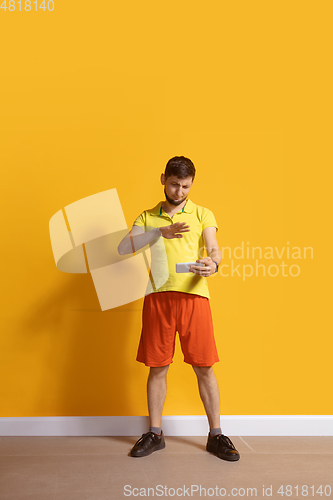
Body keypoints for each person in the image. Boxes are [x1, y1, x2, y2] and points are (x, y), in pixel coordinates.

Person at [117, 156, 240, 462]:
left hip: (195, 297)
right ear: (163, 180)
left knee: (204, 366)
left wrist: (213, 262)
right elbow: (124, 247)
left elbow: (214, 248)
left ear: (191, 183)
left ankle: (216, 435)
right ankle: (155, 433)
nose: (180, 191)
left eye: (186, 185)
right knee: (157, 366)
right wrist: (159, 232)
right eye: (174, 184)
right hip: (158, 297)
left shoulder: (202, 213)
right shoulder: (147, 216)